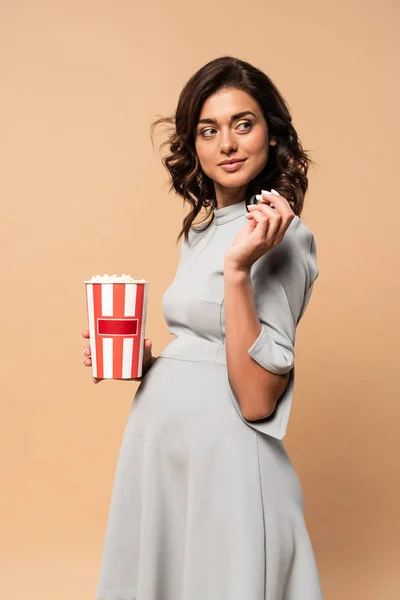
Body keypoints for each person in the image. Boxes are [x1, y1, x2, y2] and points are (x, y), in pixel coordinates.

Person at [82, 55, 324, 600]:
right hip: (163, 449)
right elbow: (208, 342)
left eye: (244, 124)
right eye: (208, 130)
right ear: (193, 146)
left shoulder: (280, 235)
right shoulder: (202, 229)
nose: (228, 144)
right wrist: (151, 365)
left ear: (272, 134)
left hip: (226, 460)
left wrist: (239, 271)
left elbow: (259, 397)